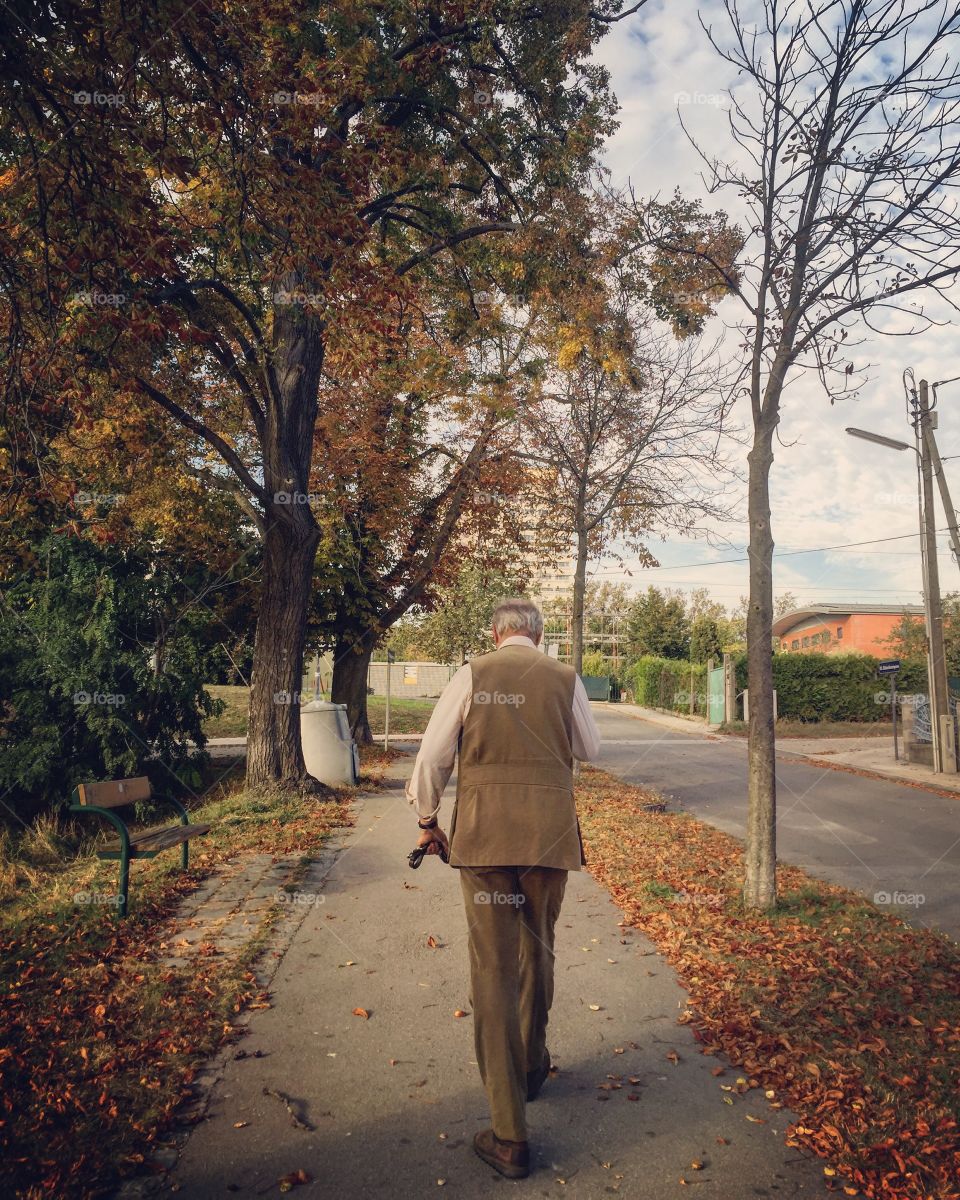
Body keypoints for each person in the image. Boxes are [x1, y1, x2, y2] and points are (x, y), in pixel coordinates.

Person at [406, 598, 601, 1179]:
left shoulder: (473, 673)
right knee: (538, 949)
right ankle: (532, 1067)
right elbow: (591, 750)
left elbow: (432, 758)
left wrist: (426, 819)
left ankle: (509, 1133)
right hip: (548, 838)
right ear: (538, 637)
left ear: (496, 633)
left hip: (486, 840)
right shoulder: (565, 678)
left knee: (494, 969)